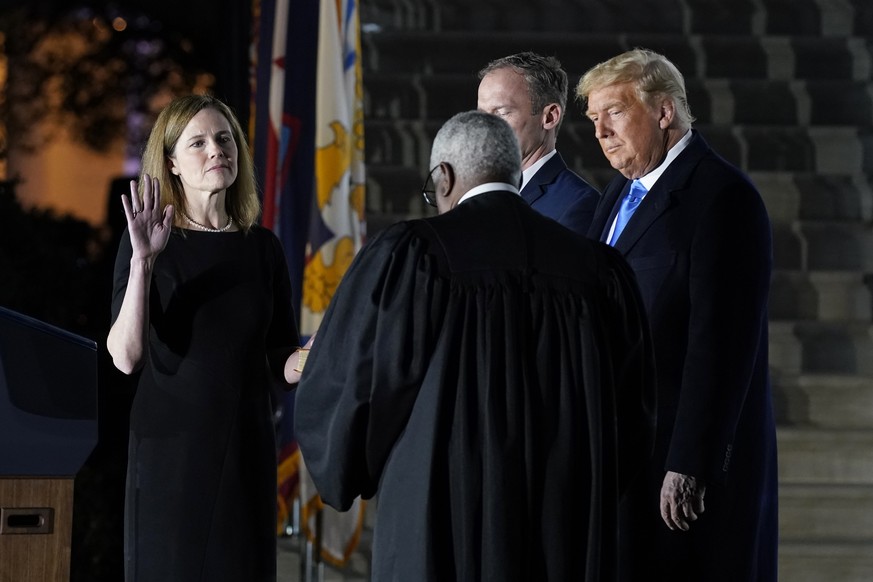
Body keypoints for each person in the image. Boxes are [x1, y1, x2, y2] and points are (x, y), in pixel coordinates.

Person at [293, 110, 656, 581]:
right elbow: (633, 415)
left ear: (443, 177)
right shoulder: (597, 270)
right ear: (514, 172)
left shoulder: (414, 255)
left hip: (441, 519)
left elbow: (356, 388)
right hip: (563, 526)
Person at [576, 49, 778, 582]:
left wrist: (690, 461)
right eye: (593, 119)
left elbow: (722, 345)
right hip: (622, 454)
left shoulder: (722, 197)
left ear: (664, 112)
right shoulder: (618, 191)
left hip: (677, 469)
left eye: (613, 113)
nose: (600, 131)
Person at [106, 94, 310, 582]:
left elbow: (280, 362)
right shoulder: (148, 242)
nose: (216, 149)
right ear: (172, 163)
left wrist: (317, 355)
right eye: (197, 142)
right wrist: (142, 263)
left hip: (244, 450)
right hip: (171, 458)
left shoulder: (262, 247)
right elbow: (125, 358)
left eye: (224, 138)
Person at [477, 51, 600, 236]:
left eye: (501, 113)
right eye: (481, 114)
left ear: (550, 117)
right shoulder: (478, 195)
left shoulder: (578, 204)